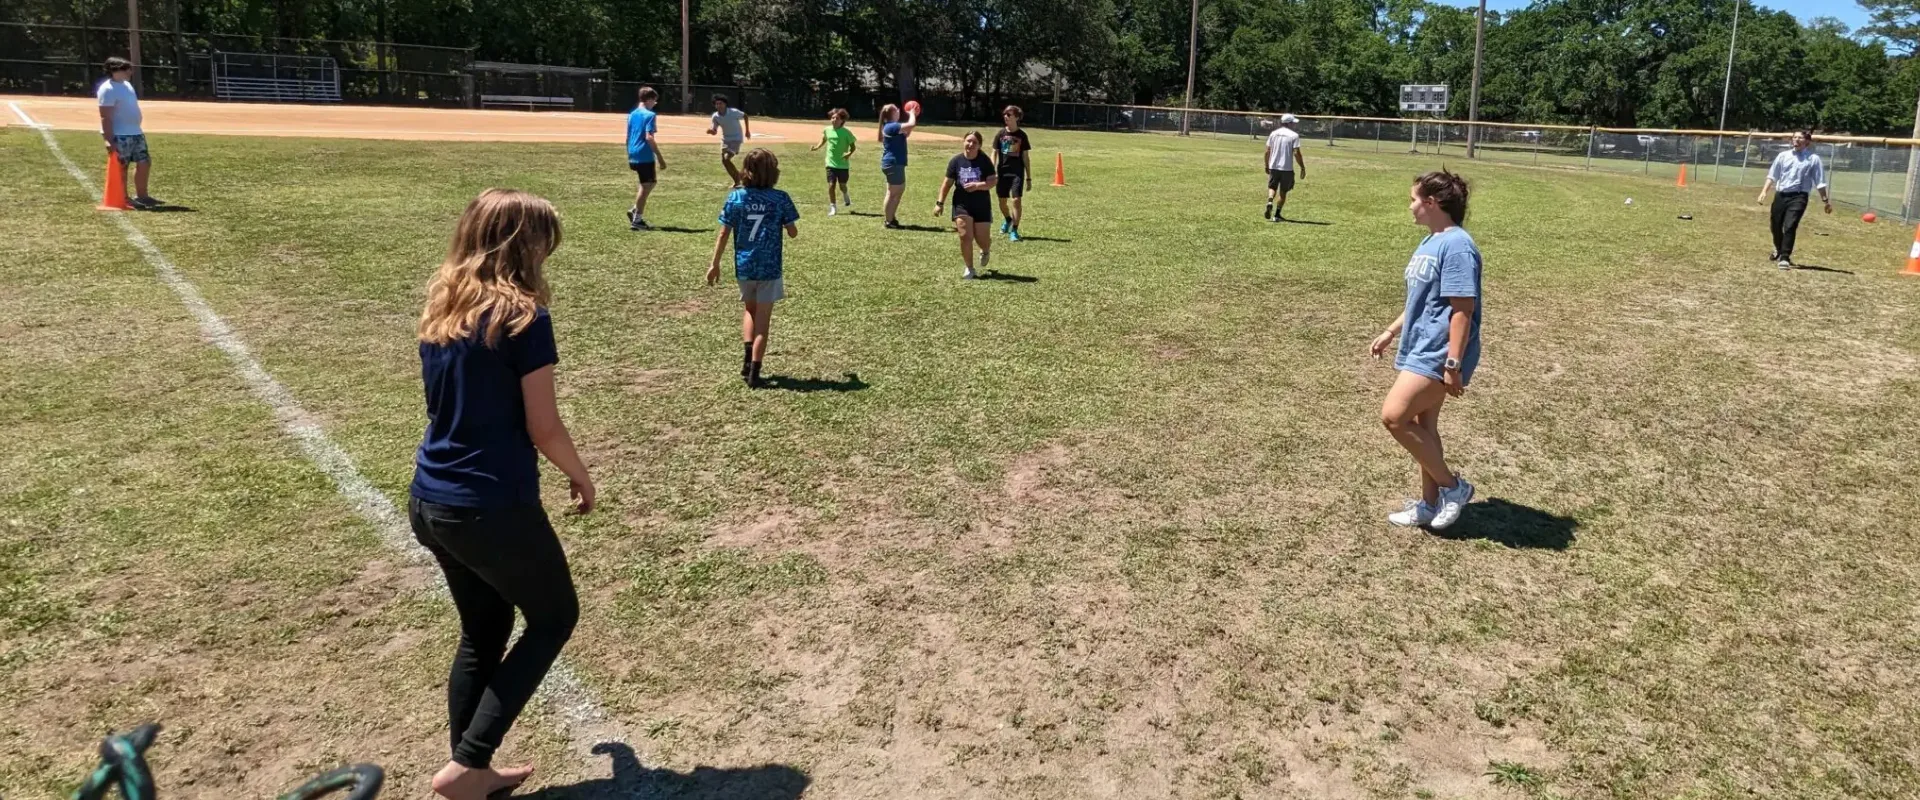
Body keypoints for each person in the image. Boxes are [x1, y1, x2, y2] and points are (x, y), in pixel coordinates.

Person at [410, 189, 593, 800]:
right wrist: (580, 473)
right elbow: (543, 425)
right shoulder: (523, 320)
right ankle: (468, 764)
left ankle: (470, 772)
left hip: (432, 501)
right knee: (554, 616)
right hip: (491, 504)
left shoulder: (443, 312)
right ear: (524, 248)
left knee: (485, 631)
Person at [1367, 170, 1481, 531]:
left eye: (1414, 200)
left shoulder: (1458, 245)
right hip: (1419, 344)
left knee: (1394, 417)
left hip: (1439, 351)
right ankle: (1429, 505)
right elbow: (1420, 300)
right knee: (1424, 426)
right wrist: (1390, 331)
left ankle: (1453, 487)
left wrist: (1453, 362)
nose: (1411, 207)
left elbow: (1462, 308)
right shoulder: (1431, 241)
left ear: (1432, 203)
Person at [708, 149, 800, 388]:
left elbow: (723, 231)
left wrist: (715, 264)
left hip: (744, 264)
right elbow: (792, 232)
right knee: (763, 321)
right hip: (769, 266)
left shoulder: (736, 198)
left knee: (749, 311)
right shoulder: (779, 198)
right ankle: (755, 373)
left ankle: (747, 360)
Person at [1756, 129, 1832, 269]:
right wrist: (1764, 192)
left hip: (1799, 196)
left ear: (1807, 141)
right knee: (1775, 226)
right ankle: (1779, 249)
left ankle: (1785, 257)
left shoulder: (1813, 159)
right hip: (1781, 195)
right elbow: (1772, 175)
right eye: (1794, 137)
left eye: (1800, 138)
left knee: (1790, 225)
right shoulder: (1783, 156)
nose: (1796, 140)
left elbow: (1820, 182)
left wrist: (1826, 201)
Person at [96, 56, 161, 209]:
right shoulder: (107, 89)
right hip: (120, 135)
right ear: (115, 70)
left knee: (144, 162)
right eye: (127, 69)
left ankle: (142, 196)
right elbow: (105, 116)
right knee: (121, 167)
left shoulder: (126, 85)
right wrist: (108, 139)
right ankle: (123, 197)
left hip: (136, 133)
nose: (130, 72)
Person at [935, 131, 997, 280]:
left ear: (979, 145)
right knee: (965, 236)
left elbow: (993, 181)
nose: (971, 144)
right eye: (968, 141)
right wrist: (939, 203)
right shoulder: (956, 161)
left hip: (981, 204)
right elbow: (947, 183)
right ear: (963, 142)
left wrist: (977, 185)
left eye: (974, 142)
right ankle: (969, 268)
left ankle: (985, 249)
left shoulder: (984, 161)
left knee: (982, 238)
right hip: (962, 203)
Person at [626, 86, 667, 231]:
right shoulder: (650, 115)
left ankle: (634, 210)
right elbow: (649, 137)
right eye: (654, 101)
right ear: (649, 100)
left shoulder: (631, 115)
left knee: (651, 182)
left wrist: (629, 152)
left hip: (633, 153)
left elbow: (628, 136)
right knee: (645, 186)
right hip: (644, 154)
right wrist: (660, 158)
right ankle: (637, 220)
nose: (654, 104)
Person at [992, 105, 1033, 242]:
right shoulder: (1000, 134)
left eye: (1009, 115)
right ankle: (1008, 219)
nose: (1005, 117)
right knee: (1002, 202)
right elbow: (994, 153)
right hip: (1002, 172)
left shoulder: (1022, 136)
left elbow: (1026, 158)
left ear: (1016, 117)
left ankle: (1014, 230)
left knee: (1016, 200)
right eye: (1005, 114)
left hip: (1017, 173)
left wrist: (1028, 177)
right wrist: (992, 171)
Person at [878, 103, 919, 229]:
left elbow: (907, 132)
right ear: (892, 113)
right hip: (893, 163)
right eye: (896, 109)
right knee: (893, 193)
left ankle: (891, 218)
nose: (899, 111)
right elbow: (911, 124)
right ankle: (888, 221)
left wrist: (913, 116)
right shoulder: (892, 126)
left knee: (896, 191)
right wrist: (912, 113)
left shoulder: (892, 127)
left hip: (894, 164)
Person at [810, 108, 857, 216]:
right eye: (832, 118)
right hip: (830, 163)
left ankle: (845, 194)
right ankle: (833, 207)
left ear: (842, 120)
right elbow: (824, 139)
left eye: (837, 118)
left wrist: (849, 154)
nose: (834, 120)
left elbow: (853, 147)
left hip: (843, 164)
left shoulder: (846, 133)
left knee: (842, 185)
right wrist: (817, 147)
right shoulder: (827, 130)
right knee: (831, 185)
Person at [1263, 113, 1305, 221]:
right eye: (1293, 123)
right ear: (1289, 123)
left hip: (1274, 166)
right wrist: (1302, 167)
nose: (1294, 125)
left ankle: (1270, 201)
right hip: (1286, 168)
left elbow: (1267, 151)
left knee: (1272, 187)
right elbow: (1296, 153)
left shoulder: (1273, 133)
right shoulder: (1294, 135)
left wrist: (1267, 165)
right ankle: (1277, 215)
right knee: (1283, 192)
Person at [707, 94, 752, 187]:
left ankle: (740, 176)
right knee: (724, 161)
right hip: (725, 139)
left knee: (727, 159)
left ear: (725, 104)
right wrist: (711, 131)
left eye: (721, 103)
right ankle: (737, 181)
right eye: (717, 104)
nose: (719, 105)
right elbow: (714, 129)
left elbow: (745, 116)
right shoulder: (715, 116)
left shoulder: (733, 112)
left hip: (736, 138)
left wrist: (747, 130)